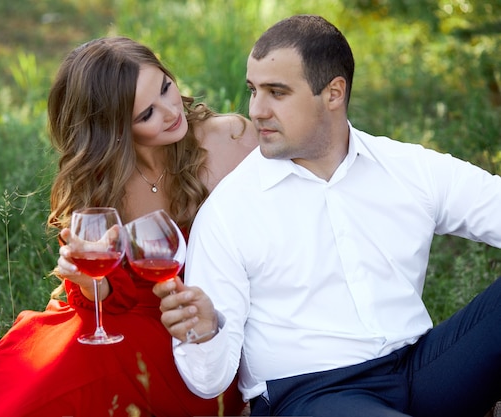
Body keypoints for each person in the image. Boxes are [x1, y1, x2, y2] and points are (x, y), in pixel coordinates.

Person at [154, 14, 501, 417]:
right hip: (312, 393)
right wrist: (206, 330)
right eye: (253, 90)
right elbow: (208, 381)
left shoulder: (406, 168)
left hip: (422, 368)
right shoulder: (230, 212)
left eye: (277, 92)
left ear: (334, 92)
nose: (257, 110)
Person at [0, 36, 257, 417]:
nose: (170, 111)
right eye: (146, 114)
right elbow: (104, 299)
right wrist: (90, 281)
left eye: (166, 87)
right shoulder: (105, 182)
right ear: (113, 129)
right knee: (60, 349)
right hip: (125, 318)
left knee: (85, 360)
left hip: (204, 328)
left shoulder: (231, 140)